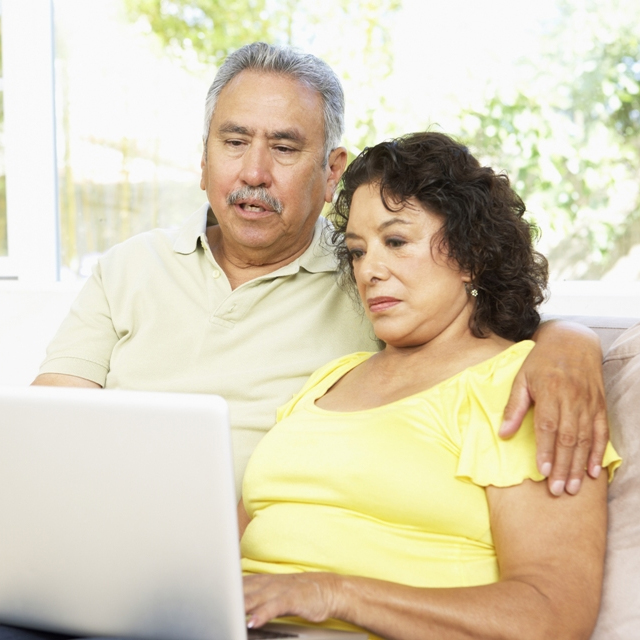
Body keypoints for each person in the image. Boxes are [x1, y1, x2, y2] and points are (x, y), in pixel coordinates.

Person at [33, 42, 607, 500]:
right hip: (101, 541)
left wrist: (568, 343)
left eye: (284, 148)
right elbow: (46, 429)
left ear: (332, 171)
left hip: (253, 563)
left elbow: (484, 324)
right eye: (234, 141)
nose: (253, 172)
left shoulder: (367, 276)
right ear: (203, 157)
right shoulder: (129, 267)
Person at [239, 132, 621, 640]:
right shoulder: (330, 379)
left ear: (471, 255)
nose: (370, 270)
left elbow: (550, 616)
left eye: (396, 241)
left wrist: (331, 593)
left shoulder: (527, 386)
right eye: (357, 251)